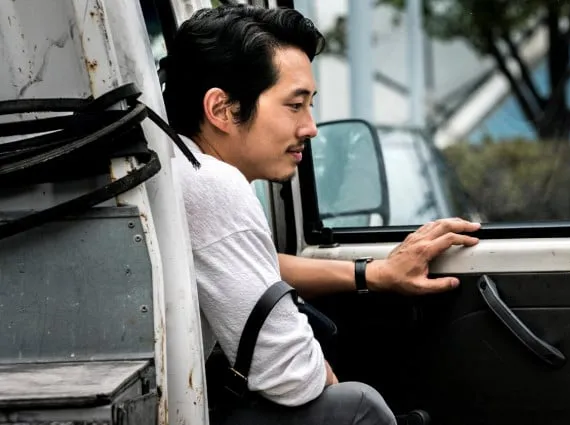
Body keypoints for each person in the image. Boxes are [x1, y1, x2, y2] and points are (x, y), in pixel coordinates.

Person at [164, 4, 480, 424]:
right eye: (295, 105)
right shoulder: (211, 181)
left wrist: (374, 273)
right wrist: (322, 373)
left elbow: (252, 263)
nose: (311, 127)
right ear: (222, 109)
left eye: (310, 105)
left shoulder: (177, 167)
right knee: (358, 406)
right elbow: (292, 378)